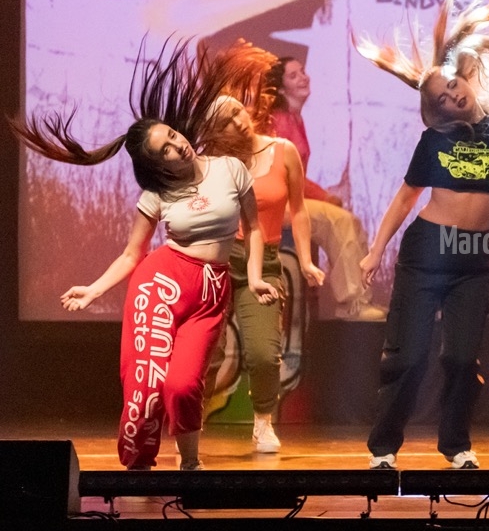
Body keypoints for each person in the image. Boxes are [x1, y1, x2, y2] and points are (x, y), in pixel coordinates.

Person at [10, 40, 279, 470]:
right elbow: (131, 255)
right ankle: (137, 468)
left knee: (182, 385)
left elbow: (255, 229)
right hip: (163, 282)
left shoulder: (230, 169)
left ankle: (189, 465)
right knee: (146, 385)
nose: (177, 146)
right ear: (157, 166)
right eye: (165, 150)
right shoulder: (157, 193)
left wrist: (257, 276)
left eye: (172, 136)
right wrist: (93, 289)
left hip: (211, 292)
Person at [356, 0, 489, 470]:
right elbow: (406, 198)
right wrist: (375, 250)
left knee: (461, 359)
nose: (452, 96)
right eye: (441, 98)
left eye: (453, 86)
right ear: (435, 111)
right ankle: (384, 449)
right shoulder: (435, 141)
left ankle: (456, 446)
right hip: (426, 250)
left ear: (466, 78)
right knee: (408, 357)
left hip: (473, 261)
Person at [202, 93, 325, 453]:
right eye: (226, 122)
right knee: (206, 352)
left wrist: (306, 261)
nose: (238, 122)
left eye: (237, 112)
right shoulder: (214, 163)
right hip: (217, 258)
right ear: (216, 132)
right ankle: (190, 424)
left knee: (262, 353)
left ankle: (262, 423)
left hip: (265, 259)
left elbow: (298, 210)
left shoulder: (283, 151)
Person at [265, 56, 385, 320]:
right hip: (275, 204)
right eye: (293, 75)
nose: (303, 77)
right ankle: (352, 304)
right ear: (281, 89)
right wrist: (325, 196)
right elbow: (284, 176)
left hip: (288, 200)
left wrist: (325, 196)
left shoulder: (294, 119)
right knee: (338, 221)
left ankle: (361, 299)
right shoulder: (278, 121)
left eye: (303, 71)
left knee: (350, 221)